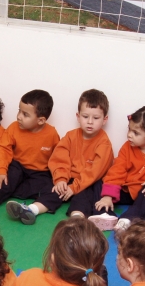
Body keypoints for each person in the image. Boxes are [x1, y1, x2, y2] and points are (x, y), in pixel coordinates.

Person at [0, 90, 61, 225]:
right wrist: (0, 171)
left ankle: (32, 210)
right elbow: (3, 149)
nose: (19, 117)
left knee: (56, 191)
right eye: (19, 111)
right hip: (18, 168)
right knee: (4, 177)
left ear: (41, 120)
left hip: (40, 173)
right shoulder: (13, 128)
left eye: (25, 114)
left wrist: (59, 178)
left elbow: (58, 158)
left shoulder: (52, 134)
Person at [47, 89, 114, 220]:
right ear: (78, 117)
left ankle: (76, 219)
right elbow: (59, 158)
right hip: (68, 177)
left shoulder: (104, 143)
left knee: (84, 195)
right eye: (85, 116)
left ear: (104, 119)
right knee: (53, 189)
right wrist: (61, 180)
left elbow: (95, 172)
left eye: (96, 118)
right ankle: (33, 209)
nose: (90, 122)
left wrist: (74, 188)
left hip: (87, 182)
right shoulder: (70, 136)